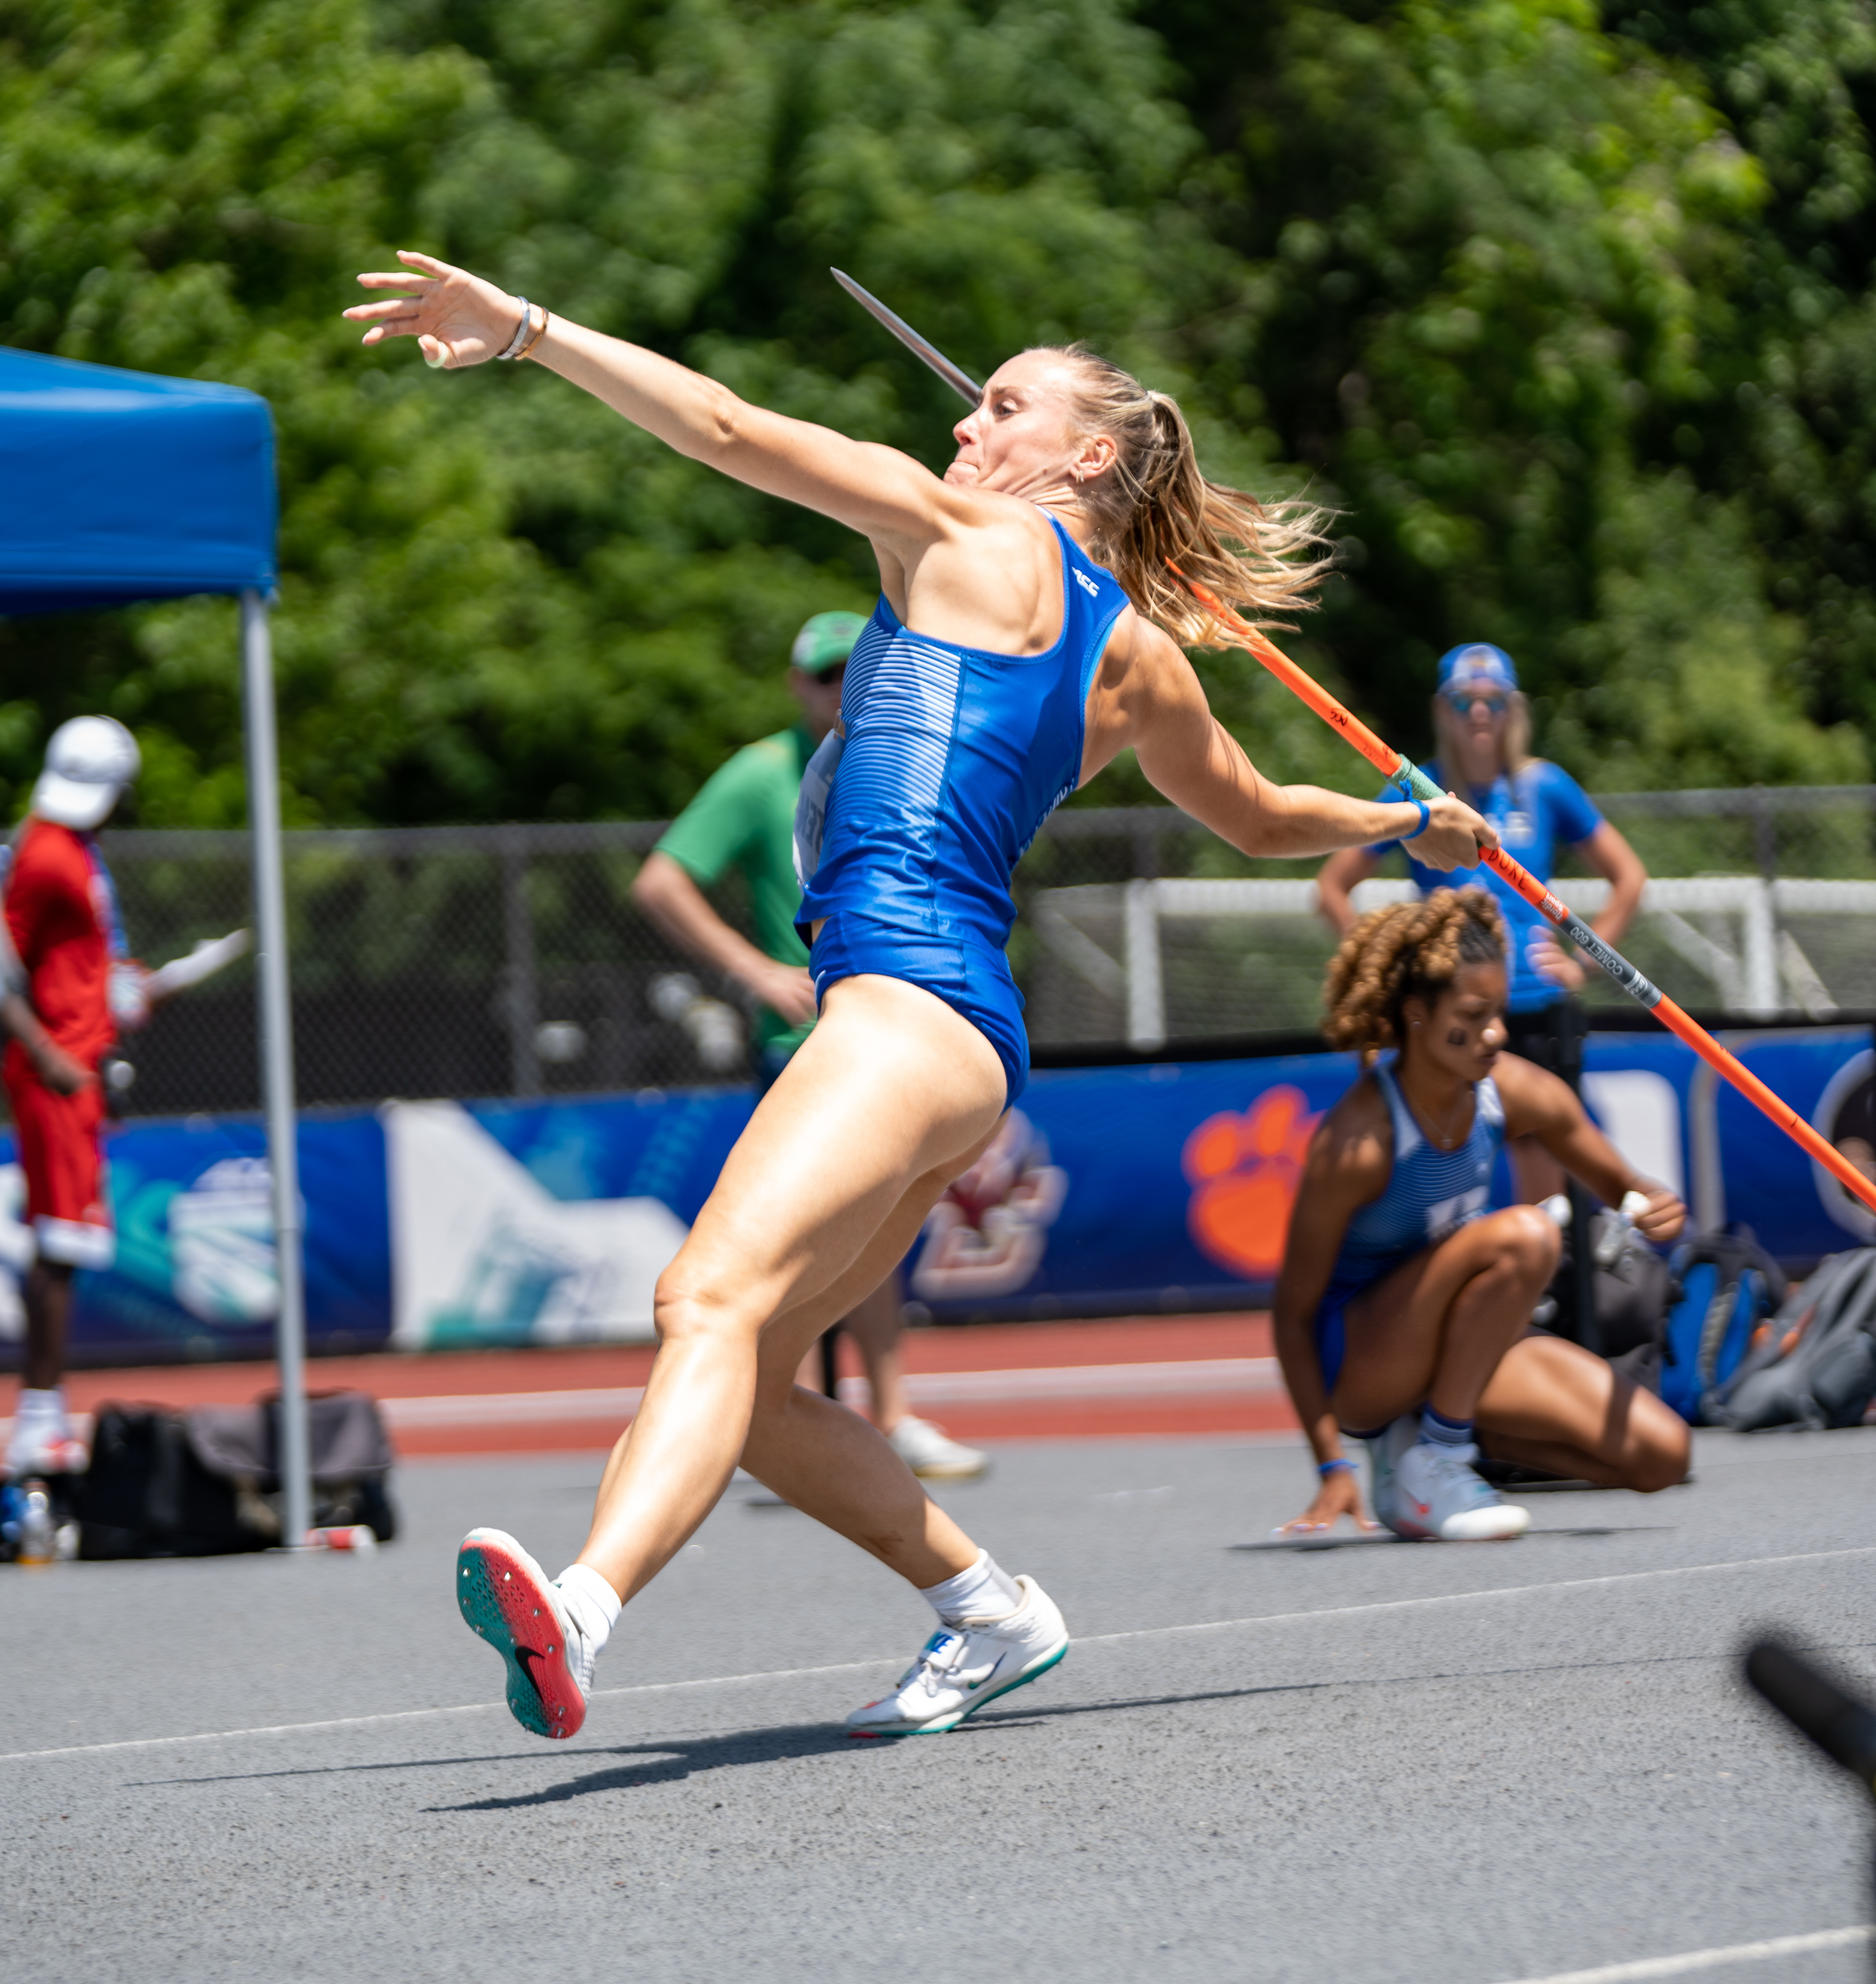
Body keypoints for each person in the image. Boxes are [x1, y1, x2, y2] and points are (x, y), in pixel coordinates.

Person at [345, 252, 1487, 1741]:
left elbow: (729, 431)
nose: (963, 431)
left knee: (703, 1299)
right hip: (958, 1034)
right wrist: (1402, 821)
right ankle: (988, 1611)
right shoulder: (1134, 653)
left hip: (897, 1002)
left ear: (1082, 454)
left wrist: (528, 334)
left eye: (999, 407)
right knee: (743, 1374)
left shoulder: (957, 535)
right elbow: (1263, 816)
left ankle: (580, 1610)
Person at [632, 608, 988, 1481]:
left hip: (898, 1031)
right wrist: (756, 972)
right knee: (792, 1249)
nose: (838, 691)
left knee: (870, 1240)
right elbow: (661, 879)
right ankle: (770, 1414)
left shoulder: (905, 754)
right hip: (809, 1039)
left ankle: (845, 1416)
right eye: (824, 676)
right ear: (797, 684)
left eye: (851, 673)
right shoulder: (763, 775)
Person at [1273, 890, 1690, 1544]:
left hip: (1462, 1344)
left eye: (1498, 1012)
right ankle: (1436, 1457)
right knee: (1527, 1234)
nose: (1496, 1033)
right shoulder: (1358, 1142)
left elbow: (1629, 1190)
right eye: (1473, 1016)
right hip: (1366, 1369)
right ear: (1417, 1015)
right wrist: (1330, 1462)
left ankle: (1438, 1447)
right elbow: (1292, 1317)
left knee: (1661, 1456)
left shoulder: (1511, 1090)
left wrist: (1654, 1206)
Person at [1316, 643, 1647, 1208]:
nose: (1479, 713)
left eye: (1493, 701)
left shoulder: (1543, 787)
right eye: (1464, 700)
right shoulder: (1417, 791)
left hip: (1533, 1005)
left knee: (1545, 1173)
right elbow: (1331, 888)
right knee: (1435, 1157)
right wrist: (1384, 971)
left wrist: (1581, 965)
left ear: (1513, 710)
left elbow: (1629, 877)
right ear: (1442, 711)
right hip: (1449, 1010)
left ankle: (1545, 1284)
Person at [2, 717, 142, 1478]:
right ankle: (36, 1423)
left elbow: (80, 963)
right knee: (59, 1246)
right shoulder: (48, 853)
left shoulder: (75, 853)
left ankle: (45, 1416)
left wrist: (121, 999)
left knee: (68, 1249)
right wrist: (47, 1051)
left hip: (80, 1068)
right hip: (57, 1072)